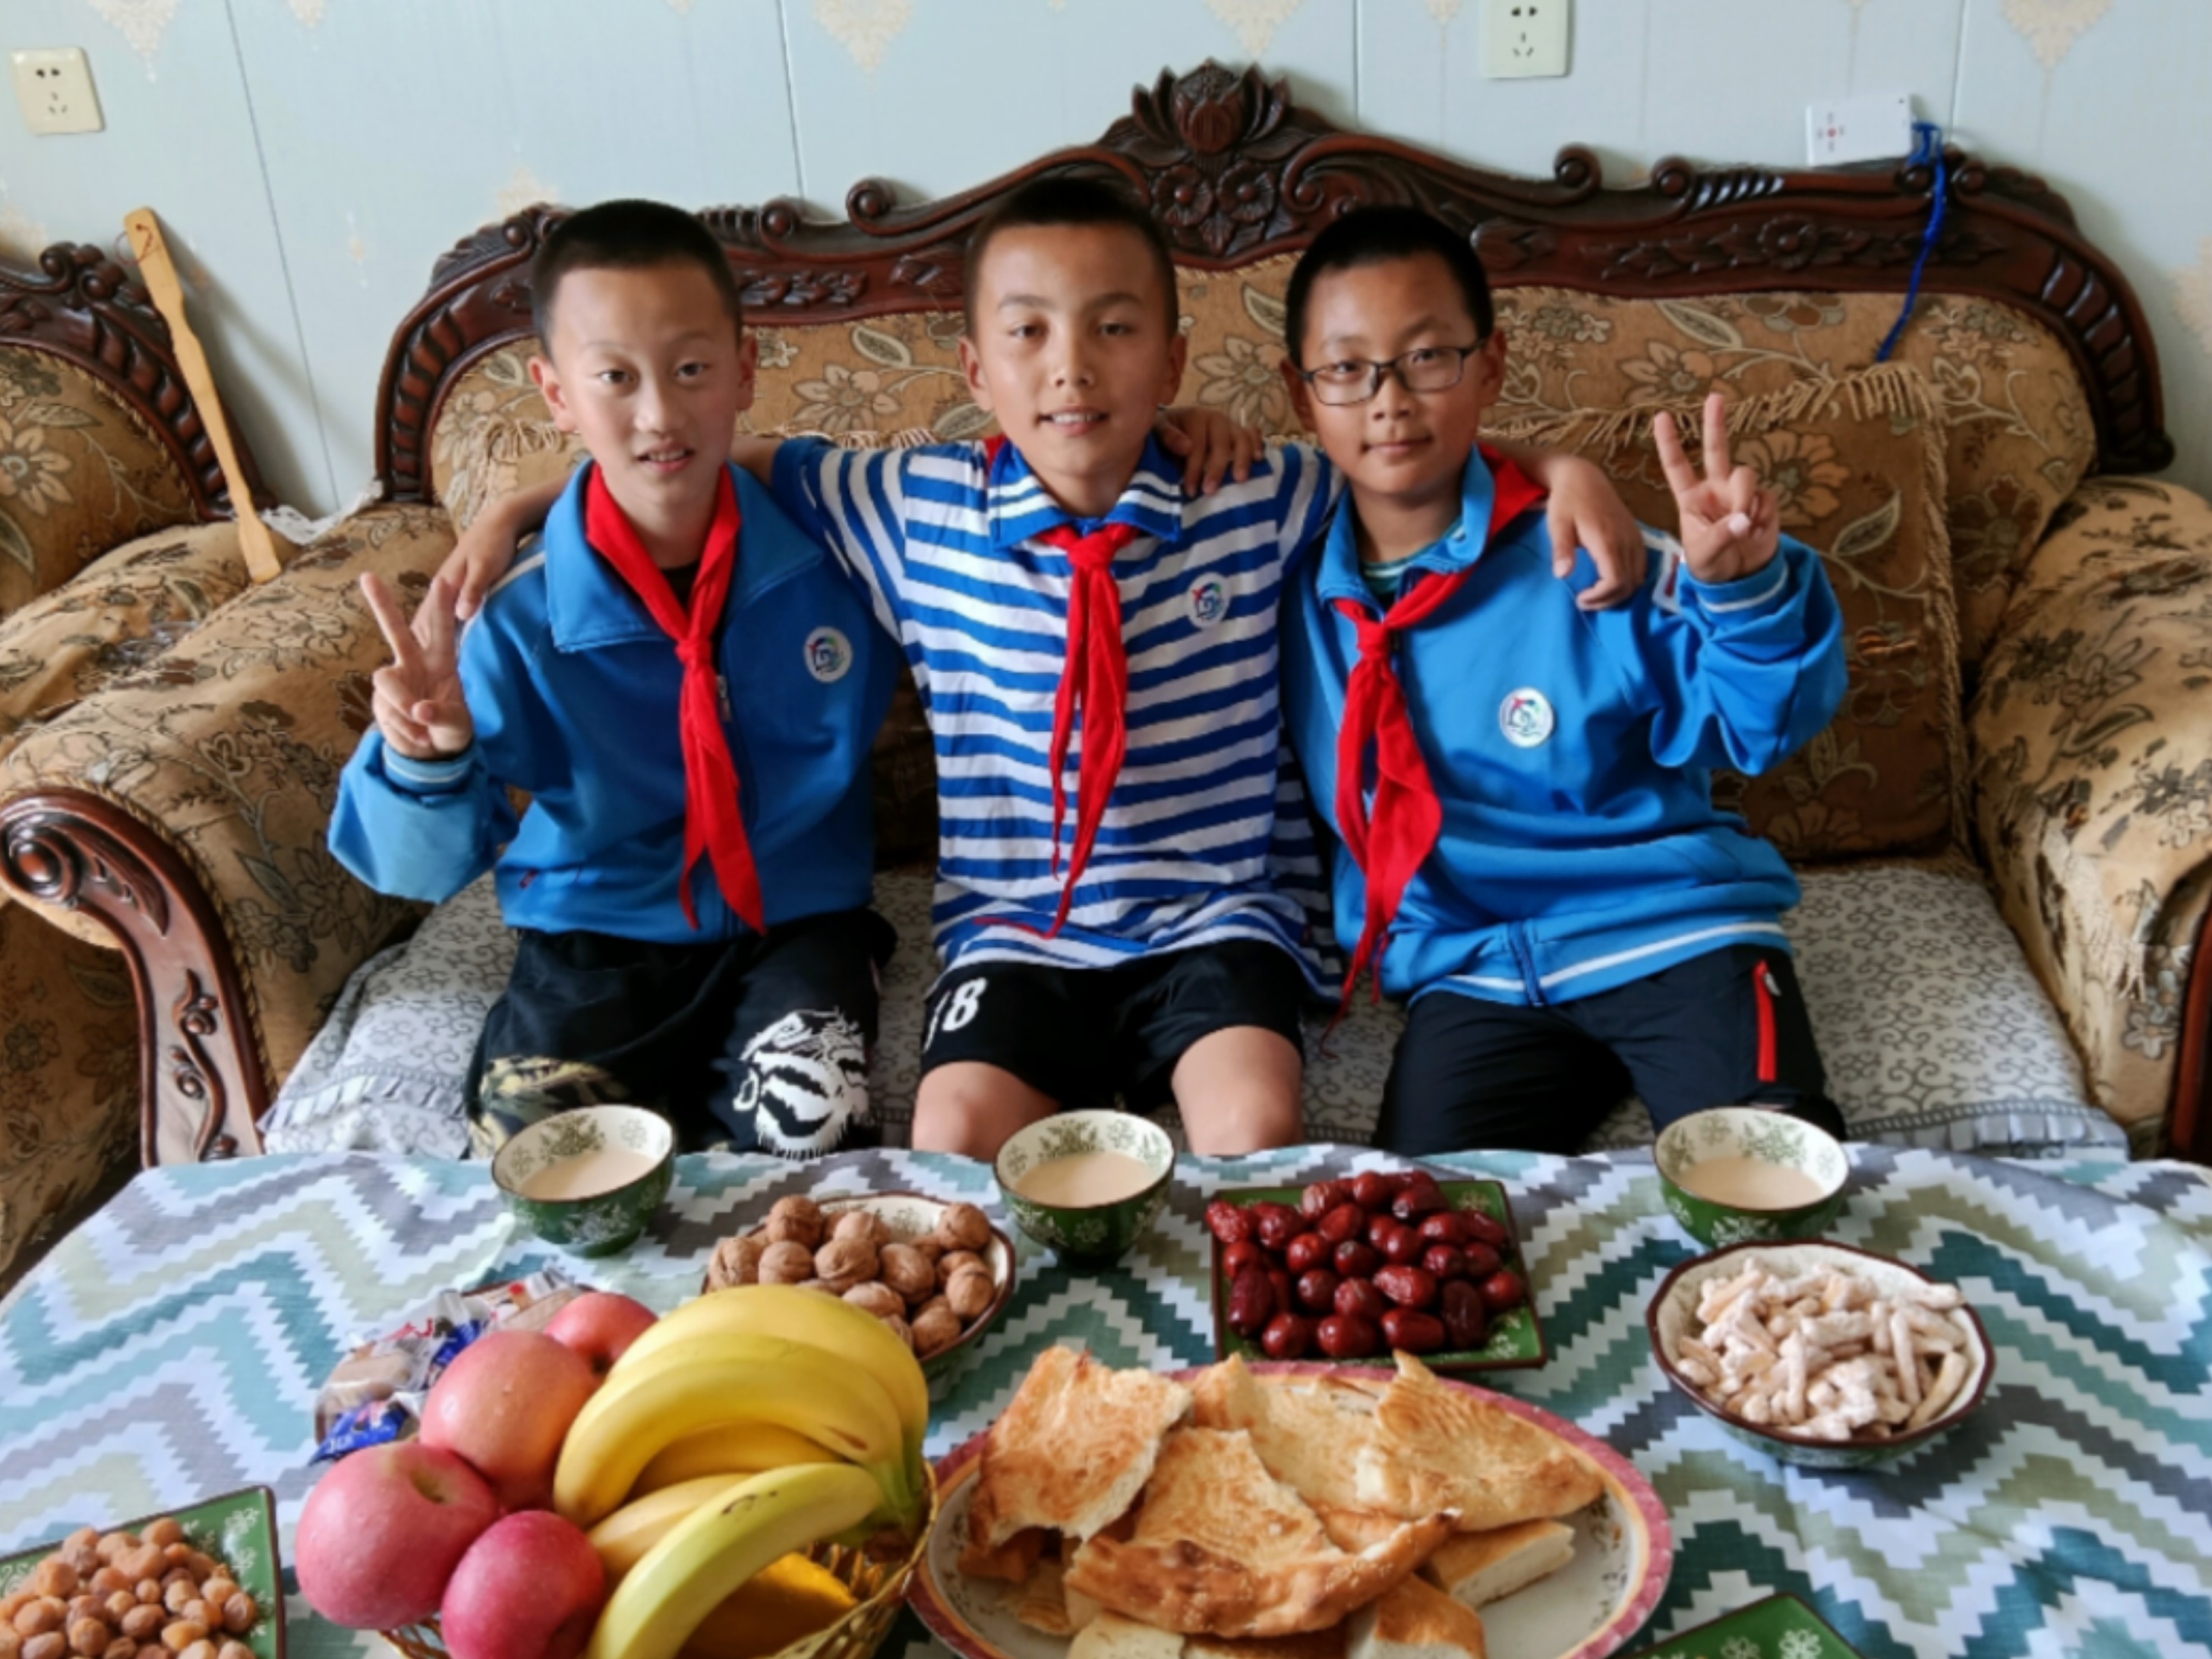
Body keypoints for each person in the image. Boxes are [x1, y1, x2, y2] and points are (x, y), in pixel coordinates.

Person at [447, 179, 1644, 1161]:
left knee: (1254, 1130)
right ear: (977, 369)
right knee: (949, 1140)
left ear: (1171, 361)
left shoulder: (1257, 493)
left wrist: (1560, 469)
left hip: (1215, 916)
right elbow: (705, 458)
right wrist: (521, 506)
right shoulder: (911, 506)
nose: (1071, 368)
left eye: (1114, 329)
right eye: (1028, 333)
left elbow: (1403, 457)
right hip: (1016, 929)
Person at [328, 199, 900, 1159]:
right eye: (615, 378)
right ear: (557, 393)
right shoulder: (519, 613)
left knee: (814, 1127)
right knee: (539, 1153)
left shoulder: (839, 553)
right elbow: (415, 872)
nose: (660, 414)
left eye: (691, 370)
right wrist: (425, 754)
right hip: (593, 935)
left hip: (799, 923)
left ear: (744, 369)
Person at [1275, 205, 1851, 1156]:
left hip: (1672, 932)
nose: (1389, 399)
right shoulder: (1280, 568)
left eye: (1428, 357)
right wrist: (1555, 460)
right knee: (1429, 1219)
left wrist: (1741, 589)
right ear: (1302, 396)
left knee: (1769, 1176)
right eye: (1346, 368)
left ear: (1491, 364)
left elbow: (1755, 725)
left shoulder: (1590, 554)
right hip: (1475, 975)